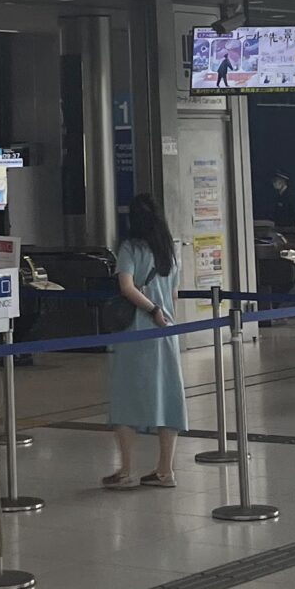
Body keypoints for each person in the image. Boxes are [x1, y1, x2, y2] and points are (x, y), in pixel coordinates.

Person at [104, 191, 186, 487]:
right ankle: (165, 470)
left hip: (137, 333)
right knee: (167, 398)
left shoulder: (130, 247)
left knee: (126, 397)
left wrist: (151, 310)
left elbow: (126, 286)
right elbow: (174, 295)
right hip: (167, 331)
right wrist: (164, 314)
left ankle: (125, 471)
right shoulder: (170, 250)